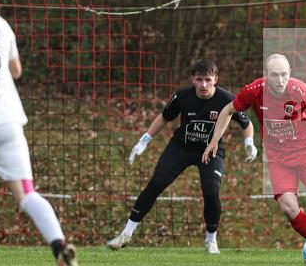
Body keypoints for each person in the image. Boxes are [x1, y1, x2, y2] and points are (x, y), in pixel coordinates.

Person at [204, 54, 306, 259]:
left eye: (284, 74)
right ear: (266, 75)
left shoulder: (300, 90)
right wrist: (213, 141)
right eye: (274, 75)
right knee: (289, 208)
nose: (280, 80)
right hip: (278, 158)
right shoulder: (255, 90)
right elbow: (227, 110)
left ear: (289, 73)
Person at [0, 0, 79, 266]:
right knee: (26, 194)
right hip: (7, 120)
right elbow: (16, 70)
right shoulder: (1, 24)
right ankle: (59, 245)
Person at [108, 59, 256, 254]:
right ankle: (126, 233)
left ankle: (211, 240)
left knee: (211, 190)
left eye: (208, 80)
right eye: (199, 79)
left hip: (210, 151)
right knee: (157, 182)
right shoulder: (182, 96)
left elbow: (246, 124)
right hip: (181, 148)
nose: (203, 84)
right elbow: (164, 117)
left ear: (216, 80)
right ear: (192, 79)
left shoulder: (227, 99)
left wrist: (249, 144)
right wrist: (144, 140)